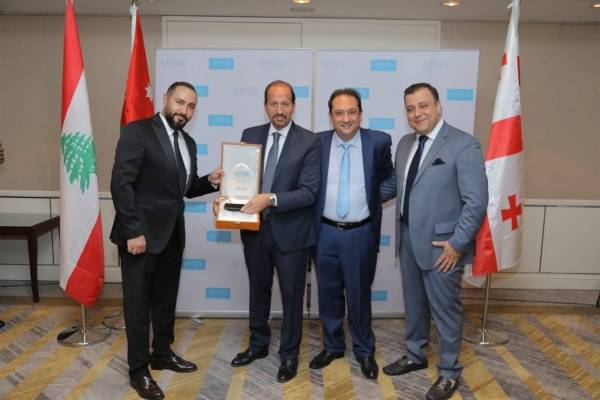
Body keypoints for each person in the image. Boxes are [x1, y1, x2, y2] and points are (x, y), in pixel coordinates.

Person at [110, 81, 223, 400]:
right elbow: (121, 184)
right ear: (165, 99)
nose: (184, 110)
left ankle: (161, 352)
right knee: (137, 307)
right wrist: (133, 231)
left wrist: (210, 181)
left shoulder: (188, 142)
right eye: (180, 102)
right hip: (140, 237)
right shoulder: (137, 131)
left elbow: (183, 190)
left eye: (191, 106)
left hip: (172, 235)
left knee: (164, 300)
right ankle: (138, 371)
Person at [380, 82, 487, 400]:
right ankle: (415, 355)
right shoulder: (404, 144)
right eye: (410, 108)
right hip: (408, 240)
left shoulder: (463, 144)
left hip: (443, 247)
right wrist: (354, 195)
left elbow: (476, 202)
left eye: (423, 106)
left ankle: (450, 372)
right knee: (414, 305)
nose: (417, 113)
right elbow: (397, 186)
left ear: (439, 106)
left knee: (445, 310)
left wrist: (457, 244)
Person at [228, 80, 320, 383]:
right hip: (254, 231)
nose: (279, 110)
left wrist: (271, 199)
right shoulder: (250, 135)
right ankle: (258, 344)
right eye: (273, 103)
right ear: (265, 106)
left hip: (292, 233)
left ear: (293, 106)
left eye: (285, 104)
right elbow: (240, 180)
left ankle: (290, 354)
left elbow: (309, 192)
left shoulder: (309, 141)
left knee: (292, 296)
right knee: (258, 289)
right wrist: (226, 197)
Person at [309, 89, 393, 380]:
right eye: (339, 113)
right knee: (328, 293)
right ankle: (333, 346)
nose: (346, 119)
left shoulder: (378, 142)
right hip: (324, 232)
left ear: (360, 113)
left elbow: (391, 177)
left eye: (352, 112)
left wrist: (372, 199)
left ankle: (364, 350)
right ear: (330, 116)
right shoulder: (316, 143)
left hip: (360, 233)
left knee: (359, 295)